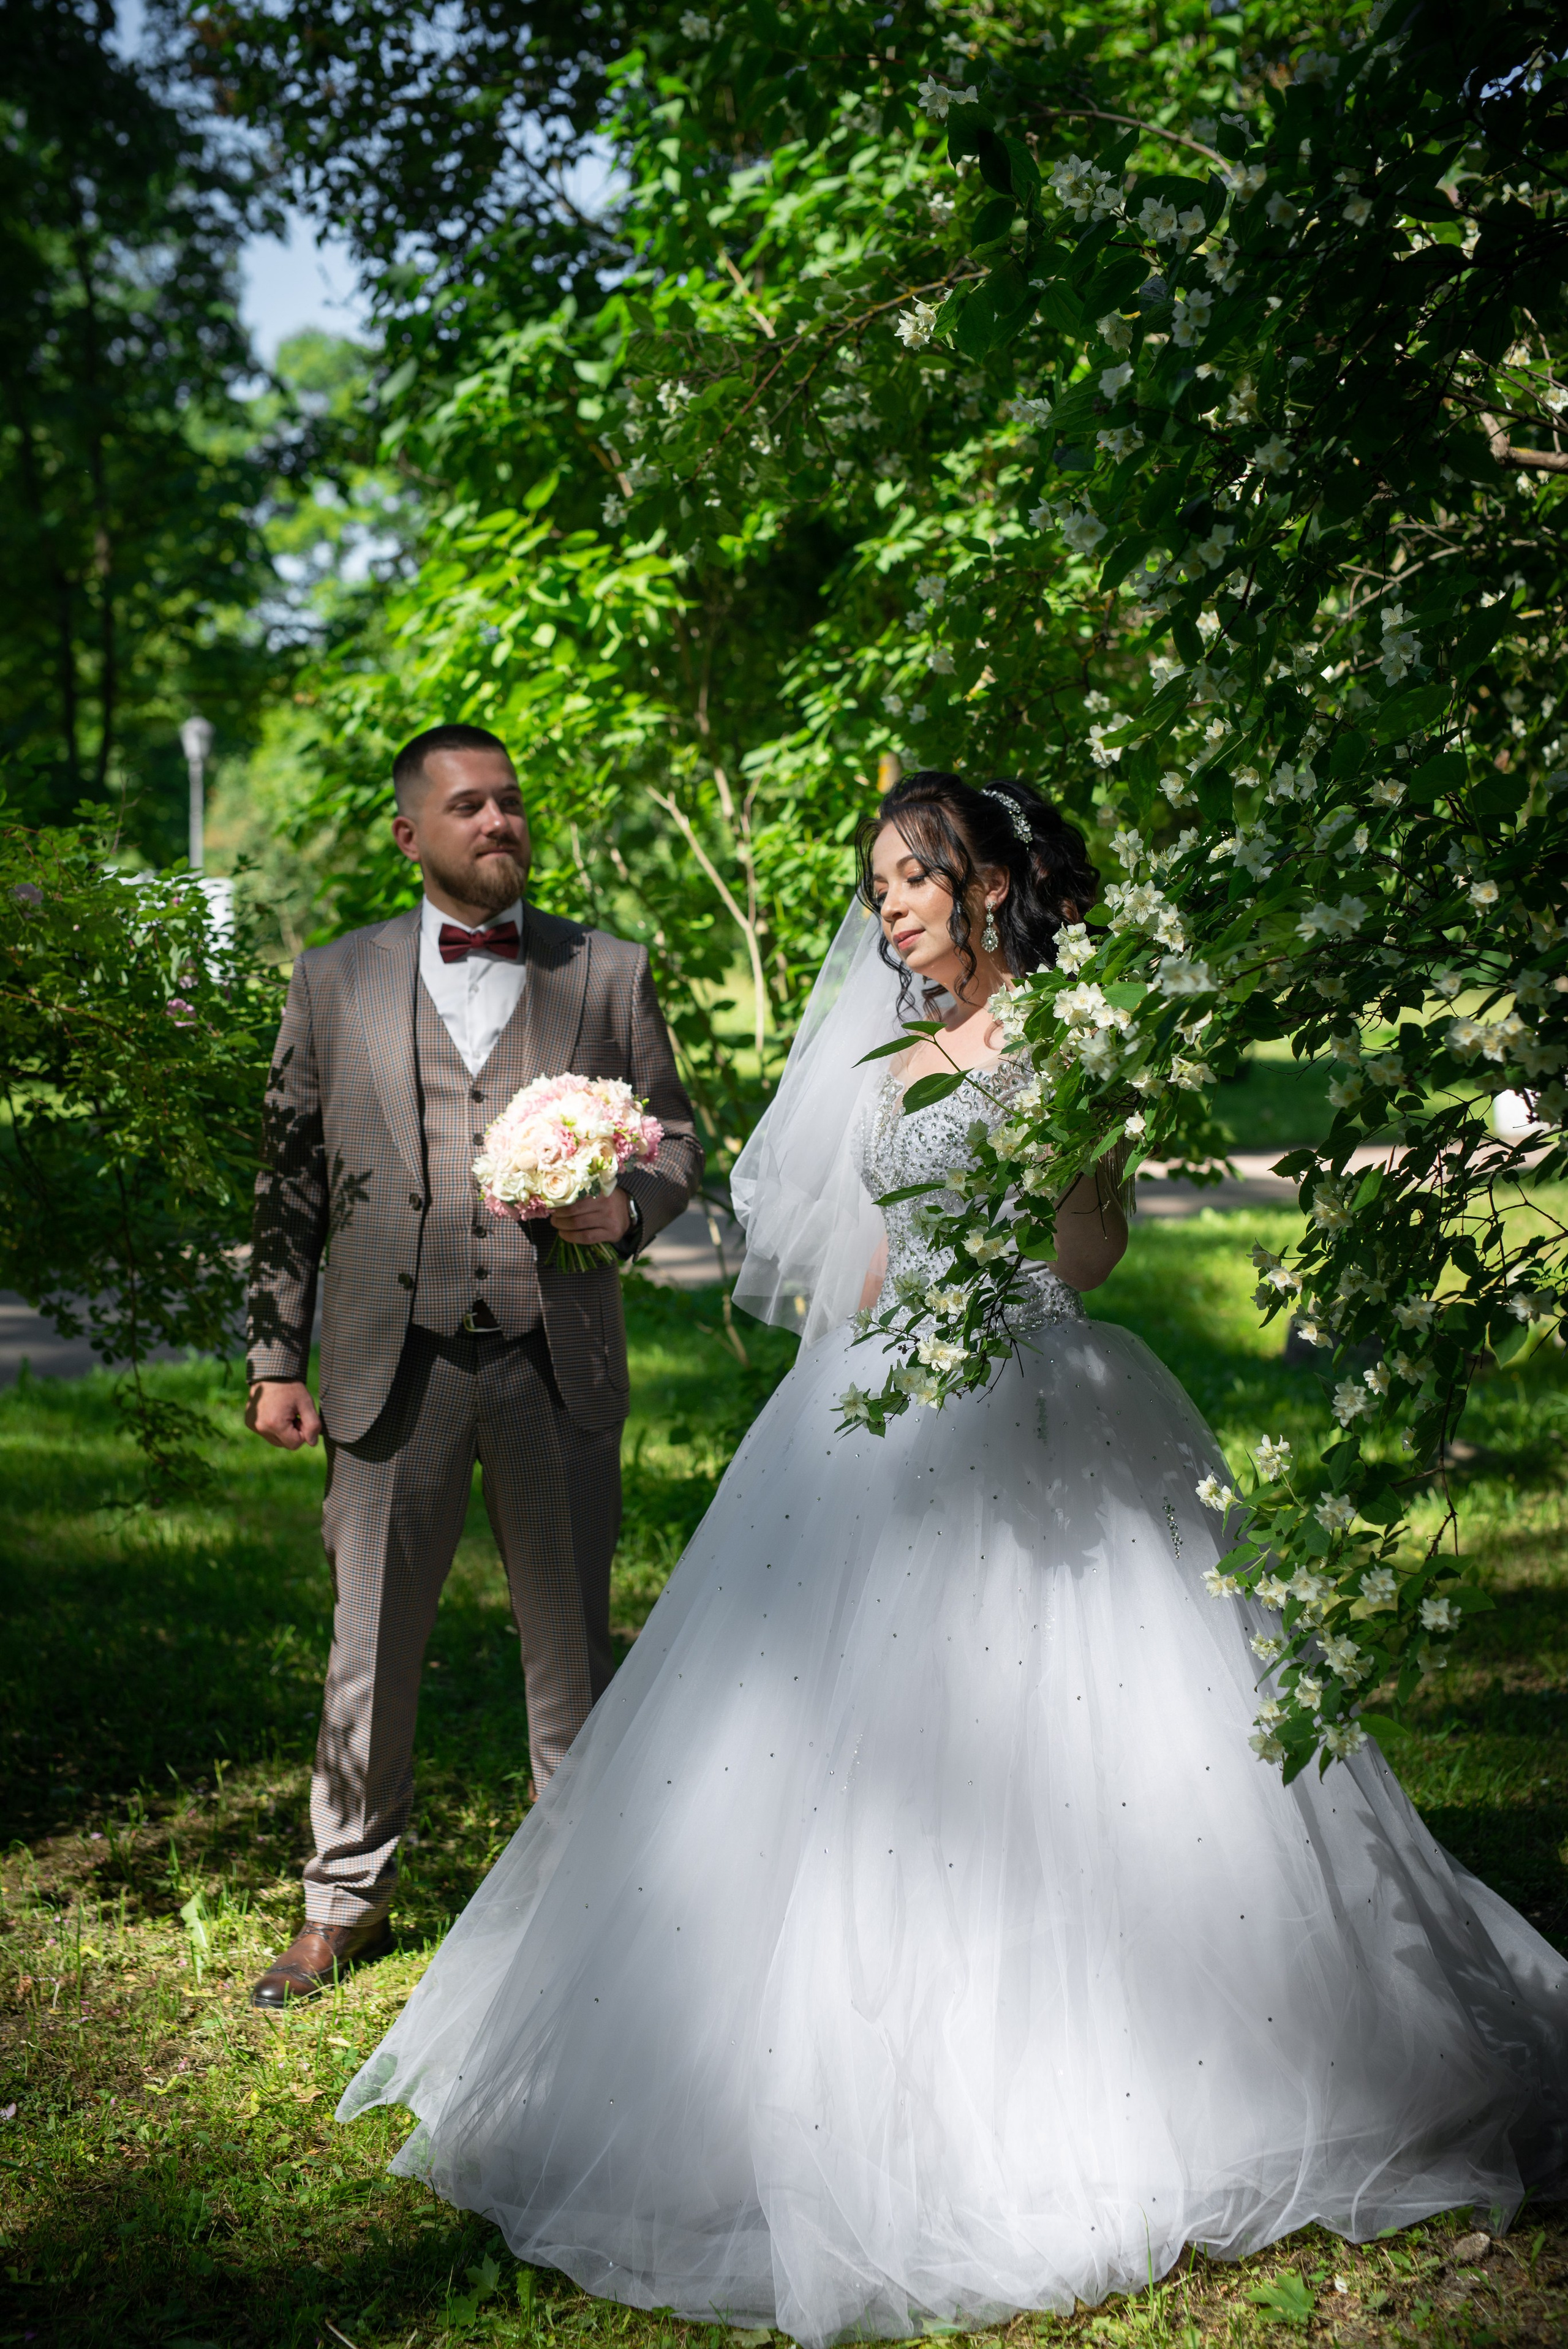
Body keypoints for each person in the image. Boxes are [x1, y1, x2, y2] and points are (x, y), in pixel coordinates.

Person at [337, 771, 1568, 2340]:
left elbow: (1088, 1256)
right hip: (873, 1405)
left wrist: (1077, 1134)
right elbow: (852, 1256)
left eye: (910, 879)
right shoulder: (882, 1055)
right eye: (876, 888)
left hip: (1041, 1389)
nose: (889, 908)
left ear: (986, 886)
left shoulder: (1069, 1038)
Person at [243, 723, 702, 2008]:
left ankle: (582, 1897)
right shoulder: (330, 979)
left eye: (510, 802)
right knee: (367, 1644)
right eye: (467, 806)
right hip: (391, 1367)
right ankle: (343, 1900)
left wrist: (626, 1204)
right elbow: (287, 1180)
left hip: (556, 1359)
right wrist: (273, 1352)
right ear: (410, 834)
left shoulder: (603, 970)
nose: (498, 821)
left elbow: (671, 1135)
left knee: (570, 1646)